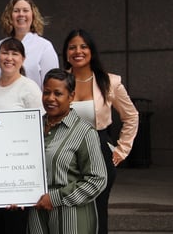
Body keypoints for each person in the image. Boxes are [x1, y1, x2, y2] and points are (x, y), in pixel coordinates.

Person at [62, 29, 139, 234]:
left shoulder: (110, 81)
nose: (78, 51)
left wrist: (121, 150)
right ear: (66, 53)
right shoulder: (59, 81)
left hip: (99, 152)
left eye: (83, 46)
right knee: (68, 213)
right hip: (65, 155)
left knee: (97, 212)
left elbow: (131, 116)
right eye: (72, 47)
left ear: (92, 51)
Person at [0, 37, 43, 234]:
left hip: (16, 178)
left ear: (23, 59)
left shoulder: (29, 88)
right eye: (5, 53)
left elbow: (38, 136)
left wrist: (25, 189)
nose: (9, 58)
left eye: (15, 54)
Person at [28, 68, 107, 234]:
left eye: (58, 93)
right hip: (36, 214)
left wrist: (55, 198)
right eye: (46, 92)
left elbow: (97, 179)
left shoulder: (85, 132)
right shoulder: (31, 127)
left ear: (71, 96)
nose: (50, 98)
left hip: (72, 216)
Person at [0, 0, 59, 88]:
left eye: (25, 10)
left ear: (33, 15)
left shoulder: (44, 47)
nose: (21, 14)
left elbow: (52, 84)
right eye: (16, 11)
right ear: (10, 16)